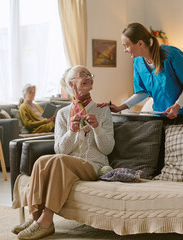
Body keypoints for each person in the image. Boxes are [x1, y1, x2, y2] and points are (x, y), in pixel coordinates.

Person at [11, 65, 115, 240]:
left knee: (59, 161)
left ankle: (46, 221)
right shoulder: (63, 114)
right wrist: (71, 131)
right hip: (68, 165)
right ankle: (35, 217)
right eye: (82, 74)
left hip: (94, 166)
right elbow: (59, 149)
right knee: (42, 160)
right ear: (71, 83)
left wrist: (97, 128)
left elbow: (107, 148)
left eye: (89, 74)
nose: (88, 76)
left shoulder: (103, 110)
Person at [99, 22, 183, 119]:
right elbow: (142, 92)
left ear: (140, 43)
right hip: (162, 115)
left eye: (126, 46)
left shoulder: (170, 55)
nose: (125, 50)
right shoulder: (138, 63)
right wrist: (119, 108)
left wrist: (177, 106)